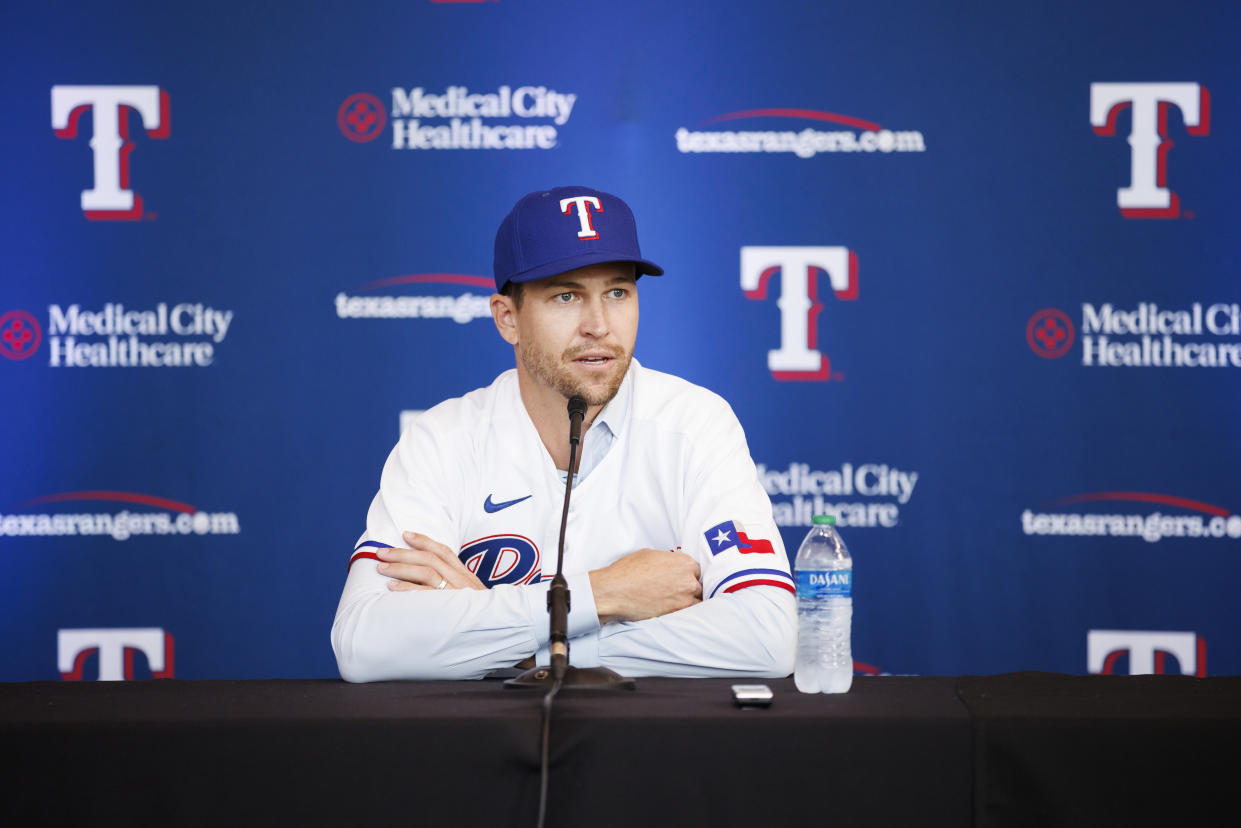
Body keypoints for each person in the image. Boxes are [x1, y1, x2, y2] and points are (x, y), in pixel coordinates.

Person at [332, 186, 795, 681]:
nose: (598, 325)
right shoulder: (442, 438)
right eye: (566, 296)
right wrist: (605, 594)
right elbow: (364, 643)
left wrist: (530, 648)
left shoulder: (694, 423)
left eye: (617, 292)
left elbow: (768, 637)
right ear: (508, 318)